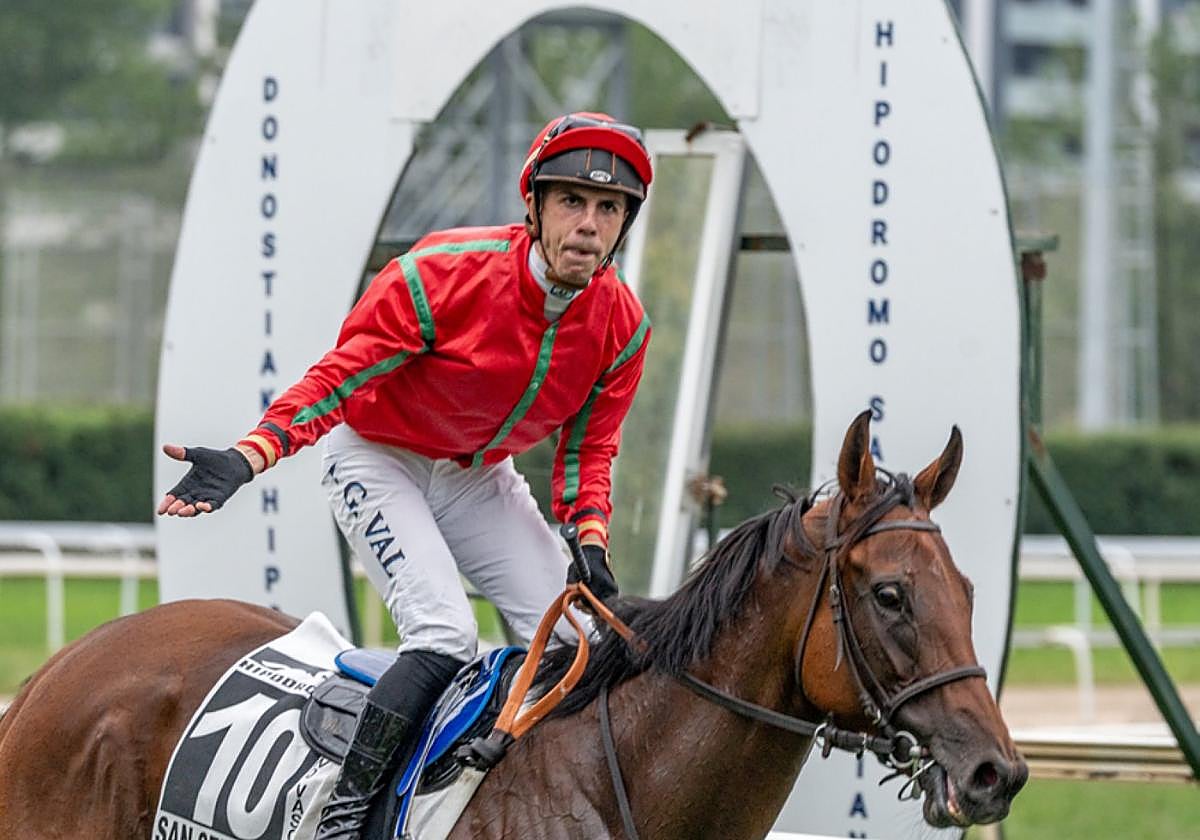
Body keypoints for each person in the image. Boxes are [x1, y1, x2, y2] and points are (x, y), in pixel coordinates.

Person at [157, 112, 653, 840]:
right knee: (445, 634)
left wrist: (590, 542)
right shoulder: (444, 272)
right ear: (535, 205)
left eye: (608, 208)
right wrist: (249, 455)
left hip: (478, 476)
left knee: (579, 643)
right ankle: (344, 812)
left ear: (624, 223)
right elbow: (337, 380)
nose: (588, 223)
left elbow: (589, 452)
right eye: (571, 201)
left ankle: (516, 796)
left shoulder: (623, 325)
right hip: (377, 455)